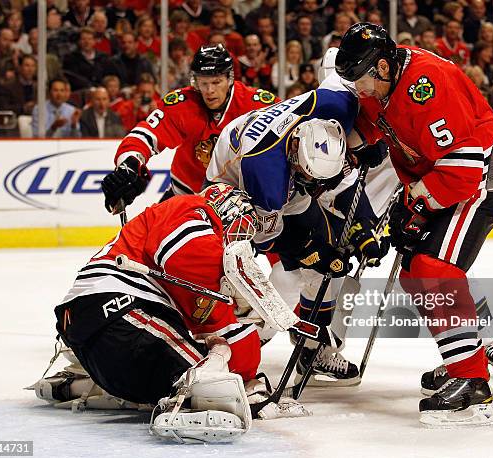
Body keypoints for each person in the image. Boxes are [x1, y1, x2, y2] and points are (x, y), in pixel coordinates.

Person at [335, 23, 493, 426]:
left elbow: (462, 169)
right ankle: (464, 357)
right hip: (435, 179)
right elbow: (371, 119)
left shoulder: (427, 86)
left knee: (434, 270)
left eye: (364, 81)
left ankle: (472, 382)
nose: (361, 91)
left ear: (382, 66)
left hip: (474, 182)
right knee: (416, 272)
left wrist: (413, 204)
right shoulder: (382, 80)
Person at [33, 185, 307, 443]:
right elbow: (211, 314)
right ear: (224, 209)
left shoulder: (172, 215)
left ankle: (84, 385)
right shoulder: (193, 210)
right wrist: (247, 375)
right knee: (218, 372)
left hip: (94, 324)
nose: (238, 238)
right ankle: (221, 393)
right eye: (240, 225)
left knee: (188, 363)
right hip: (118, 312)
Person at [205, 82, 388, 387]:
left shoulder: (333, 110)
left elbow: (341, 183)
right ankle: (233, 339)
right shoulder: (267, 179)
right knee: (236, 273)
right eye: (308, 179)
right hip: (232, 188)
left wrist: (365, 225)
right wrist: (309, 251)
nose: (316, 188)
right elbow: (267, 239)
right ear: (294, 156)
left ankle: (313, 350)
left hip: (282, 168)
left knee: (327, 258)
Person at [101, 45, 278, 213]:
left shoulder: (257, 105)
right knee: (152, 241)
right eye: (204, 83)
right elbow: (145, 135)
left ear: (229, 79)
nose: (209, 90)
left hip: (241, 201)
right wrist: (129, 164)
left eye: (216, 82)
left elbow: (291, 129)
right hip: (186, 194)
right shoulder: (184, 103)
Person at [63, 27, 109, 91]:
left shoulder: (103, 57)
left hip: (102, 91)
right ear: (79, 41)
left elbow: (107, 76)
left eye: (90, 39)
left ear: (94, 41)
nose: (87, 42)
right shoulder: (71, 58)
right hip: (81, 91)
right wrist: (90, 86)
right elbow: (73, 78)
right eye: (83, 39)